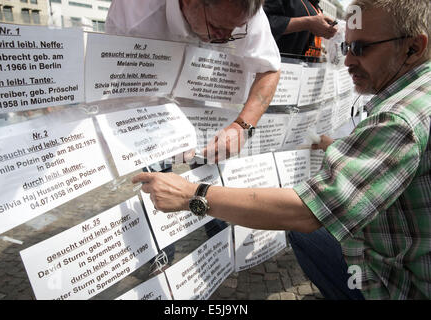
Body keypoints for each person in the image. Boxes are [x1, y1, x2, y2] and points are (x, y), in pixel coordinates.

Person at [132, 0, 431, 299]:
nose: (349, 62)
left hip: (402, 284)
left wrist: (191, 195)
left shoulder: (397, 120)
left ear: (413, 48)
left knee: (307, 232)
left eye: (362, 49)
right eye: (346, 48)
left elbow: (307, 212)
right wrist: (340, 147)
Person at [105, 0, 282, 163]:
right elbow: (118, 85)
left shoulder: (243, 10)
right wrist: (155, 135)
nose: (226, 37)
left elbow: (269, 69)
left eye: (236, 28)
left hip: (207, 111)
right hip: (145, 105)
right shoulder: (134, 14)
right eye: (216, 26)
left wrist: (242, 126)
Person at [263, 0, 337, 61]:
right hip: (279, 70)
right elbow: (263, 23)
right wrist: (307, 23)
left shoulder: (315, 6)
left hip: (305, 73)